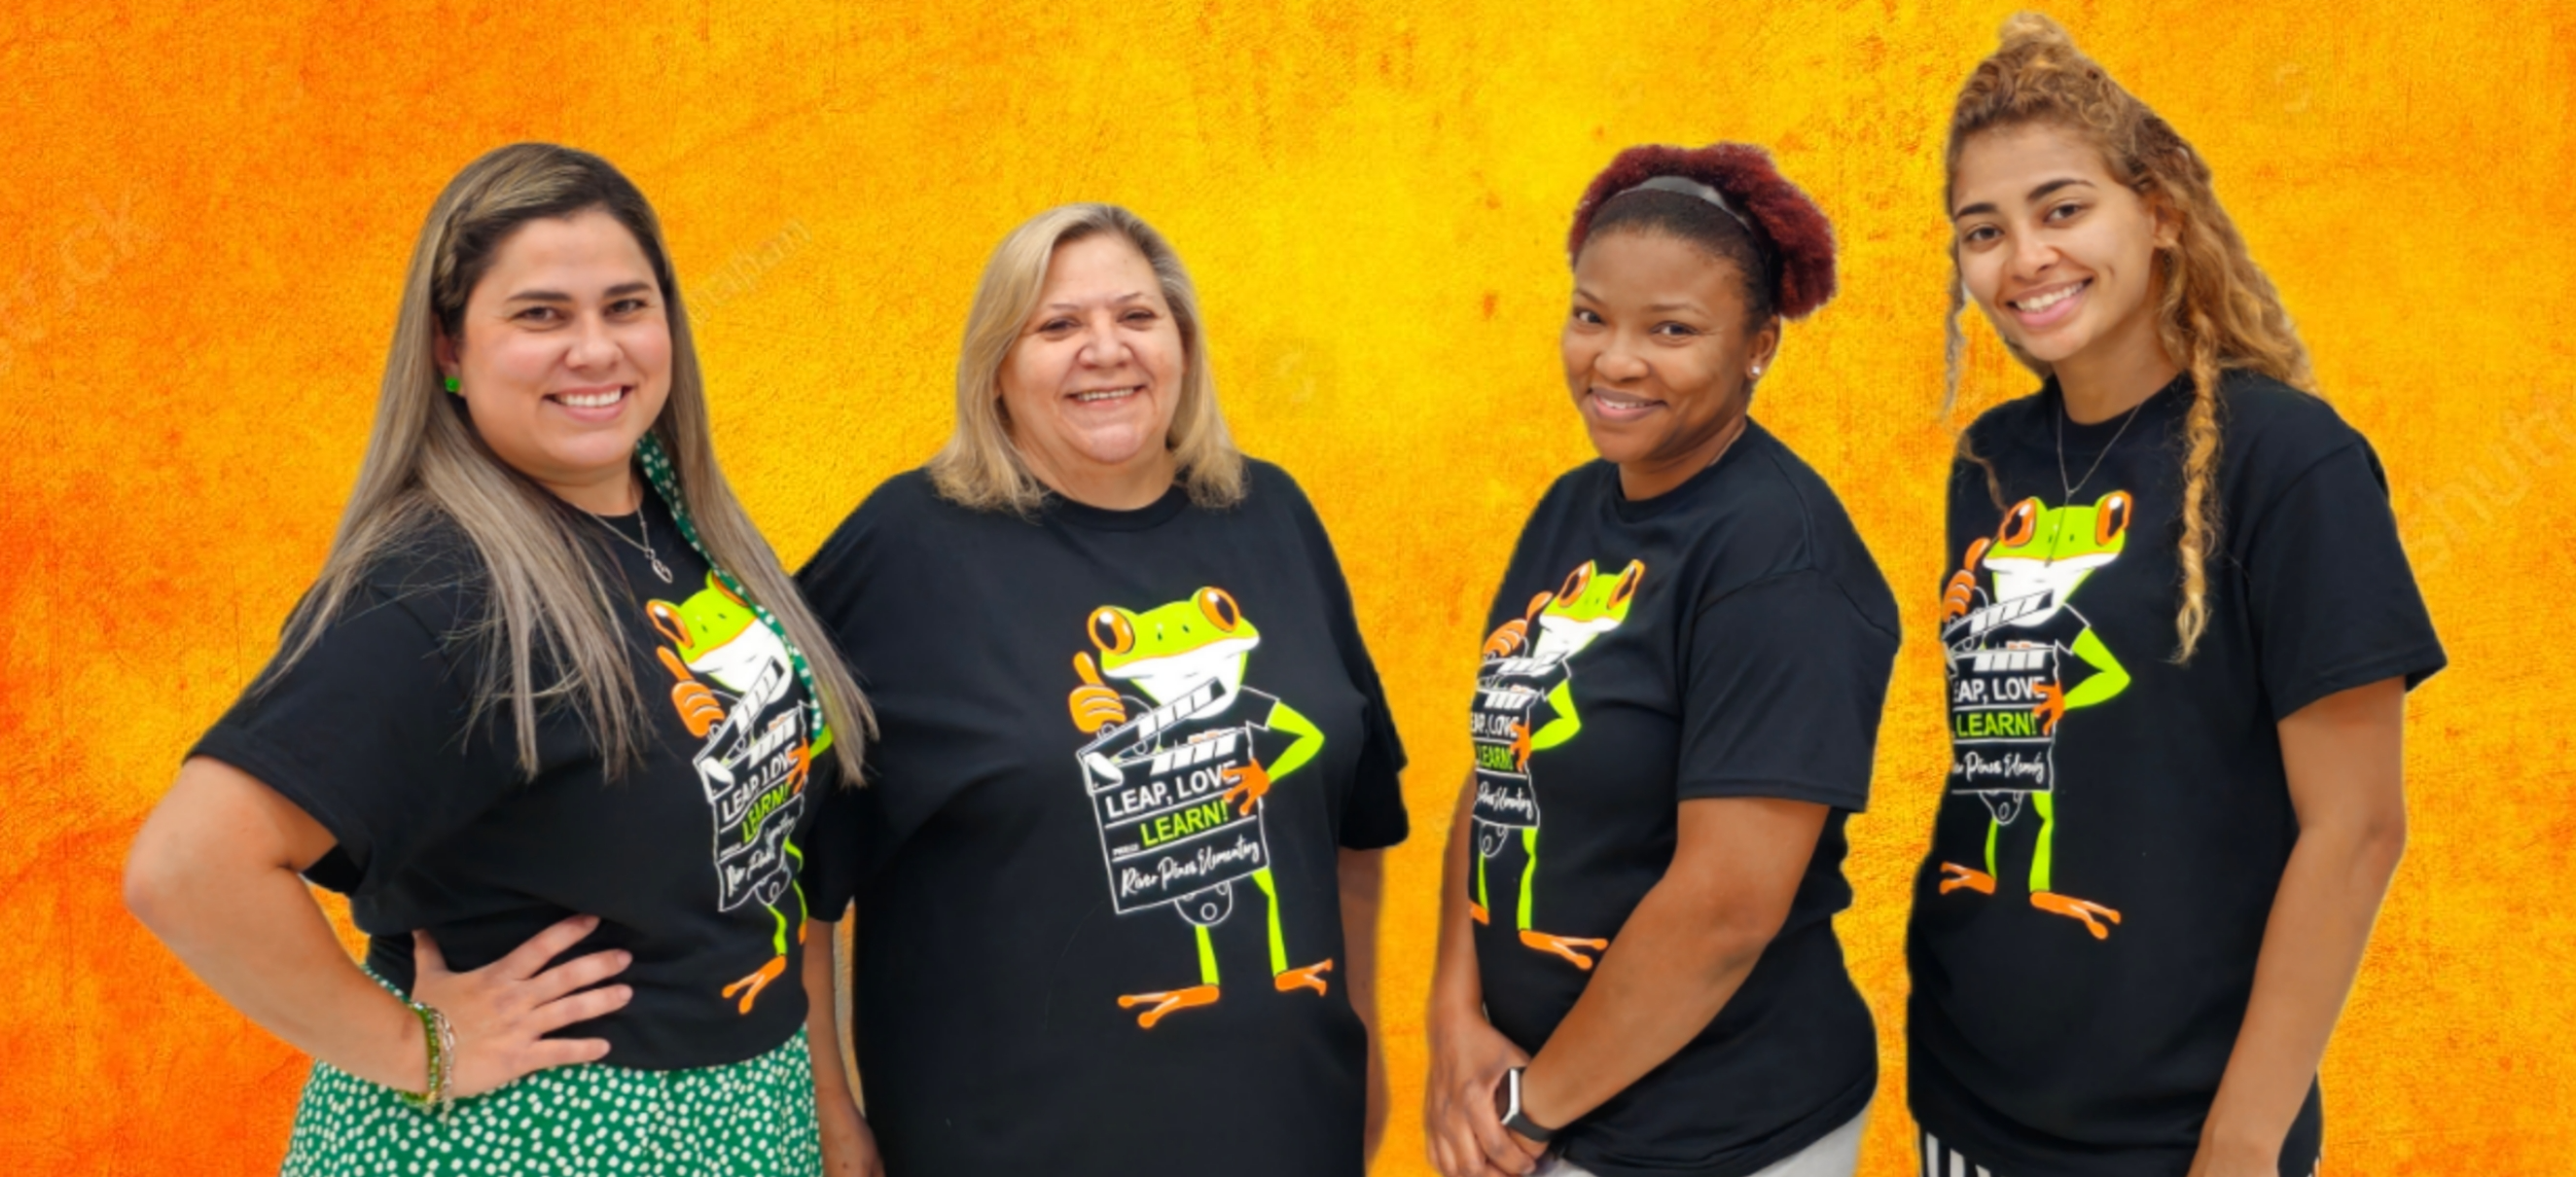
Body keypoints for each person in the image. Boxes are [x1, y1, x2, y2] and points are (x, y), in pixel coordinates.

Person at [122, 143, 874, 1177]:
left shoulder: (672, 529)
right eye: (540, 315)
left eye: (625, 305)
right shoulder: (443, 589)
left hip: (738, 1121)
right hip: (534, 1140)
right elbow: (189, 866)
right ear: (448, 349)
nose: (595, 349)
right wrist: (414, 1047)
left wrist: (824, 1113)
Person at [1913, 16, 2448, 1177]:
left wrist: (2243, 1139)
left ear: (2156, 213)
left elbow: (2354, 829)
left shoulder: (2286, 461)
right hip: (1964, 1093)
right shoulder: (1989, 462)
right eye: (1982, 231)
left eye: (2061, 209)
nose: (2023, 259)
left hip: (2174, 1128)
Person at [793, 202, 1409, 1177]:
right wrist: (825, 1111)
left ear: (1182, 343)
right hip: (1010, 1143)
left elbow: (1355, 825)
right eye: (1057, 326)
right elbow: (777, 876)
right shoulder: (904, 550)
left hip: (1285, 1130)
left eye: (1136, 316)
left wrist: (1362, 1038)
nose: (1103, 350)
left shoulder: (1271, 515)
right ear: (996, 366)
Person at [1424, 143, 1900, 1177]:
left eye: (1670, 330)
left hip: (1713, 1135)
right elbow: (1502, 765)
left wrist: (1525, 1110)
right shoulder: (1570, 508)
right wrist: (1453, 1018)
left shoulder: (1778, 562)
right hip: (1533, 1103)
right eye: (1589, 315)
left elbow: (1725, 908)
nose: (1612, 361)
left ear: (1758, 346)